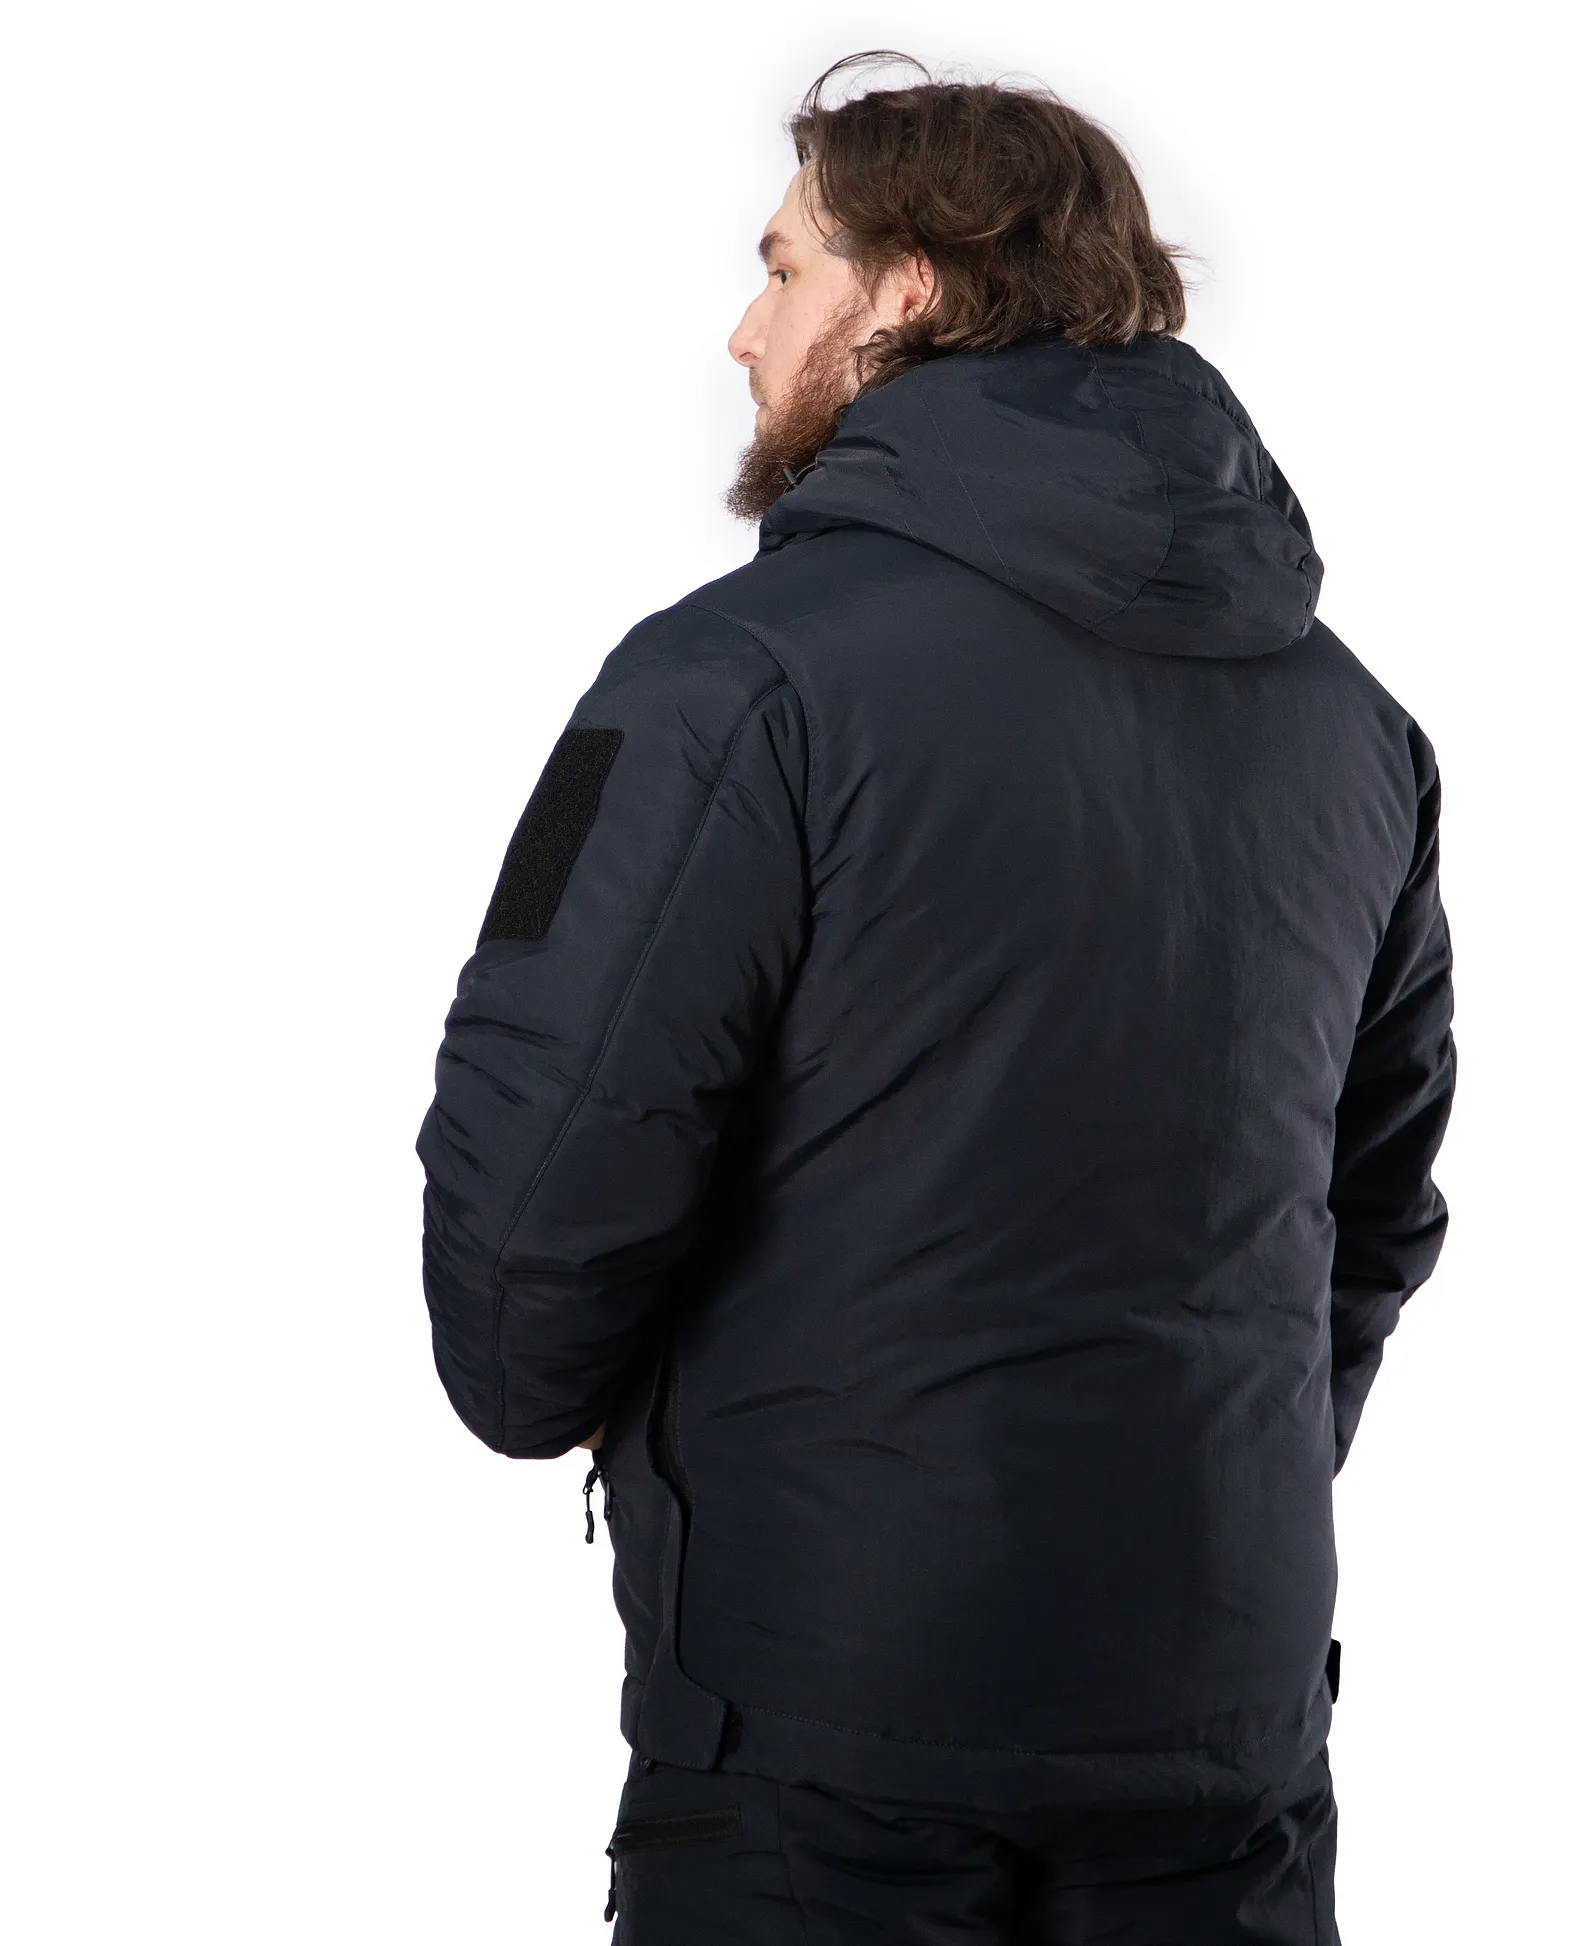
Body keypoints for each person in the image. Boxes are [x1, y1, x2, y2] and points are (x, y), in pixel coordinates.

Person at [418, 51, 1455, 1945]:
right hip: (1217, 1731)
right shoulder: (1352, 725)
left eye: (781, 268)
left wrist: (533, 1382)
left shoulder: (728, 683)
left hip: (824, 1746)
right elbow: (1370, 1205)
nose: (743, 331)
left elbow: (545, 1162)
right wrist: (1203, 1463)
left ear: (905, 289)